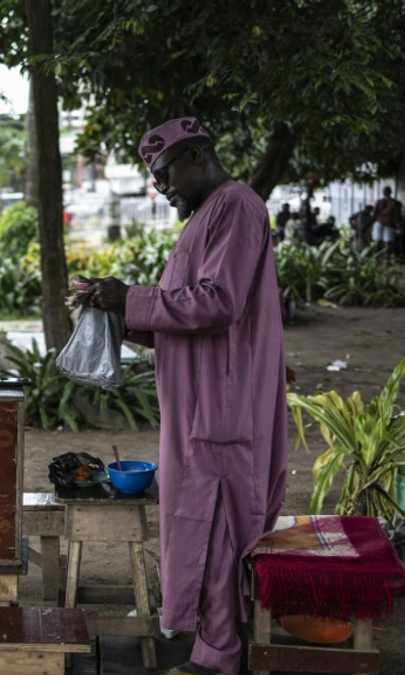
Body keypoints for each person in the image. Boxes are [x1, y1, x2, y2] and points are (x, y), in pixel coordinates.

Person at [74, 117, 288, 675]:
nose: (160, 186)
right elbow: (183, 315)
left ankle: (218, 658)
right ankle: (210, 647)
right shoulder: (206, 217)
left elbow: (218, 303)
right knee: (201, 524)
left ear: (196, 156)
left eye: (165, 172)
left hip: (222, 406)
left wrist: (133, 299)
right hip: (199, 403)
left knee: (217, 530)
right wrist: (117, 310)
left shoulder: (236, 205)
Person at [373, 186, 399, 255]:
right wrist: (398, 225)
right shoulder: (394, 202)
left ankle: (376, 259)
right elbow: (396, 216)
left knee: (377, 241)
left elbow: (374, 214)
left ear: (383, 193)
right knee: (387, 243)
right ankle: (386, 260)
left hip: (379, 222)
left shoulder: (379, 201)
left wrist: (374, 222)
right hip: (389, 223)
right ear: (391, 192)